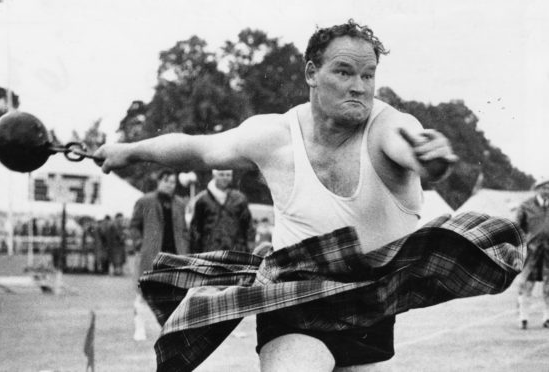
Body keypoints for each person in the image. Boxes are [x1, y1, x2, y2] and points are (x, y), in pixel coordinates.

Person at [95, 19, 469, 371]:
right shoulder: (275, 136)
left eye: (368, 75)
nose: (359, 86)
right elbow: (198, 148)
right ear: (311, 73)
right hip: (293, 301)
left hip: (368, 307)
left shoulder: (388, 128)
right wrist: (129, 151)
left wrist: (431, 158)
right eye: (344, 71)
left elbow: (415, 150)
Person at [129, 168, 189, 340]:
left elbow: (183, 230)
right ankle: (139, 328)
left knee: (173, 295)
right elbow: (134, 226)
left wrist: (185, 248)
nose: (170, 185)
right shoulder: (145, 201)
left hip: (174, 256)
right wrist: (141, 244)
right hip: (151, 255)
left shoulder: (179, 204)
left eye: (173, 182)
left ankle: (169, 329)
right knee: (142, 293)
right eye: (167, 181)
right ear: (159, 181)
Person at [189, 169, 252, 253]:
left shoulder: (240, 199)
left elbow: (248, 227)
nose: (225, 178)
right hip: (210, 252)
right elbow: (195, 229)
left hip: (236, 252)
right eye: (221, 174)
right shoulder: (202, 200)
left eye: (228, 175)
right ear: (214, 176)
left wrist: (249, 248)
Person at [516, 179, 549, 330]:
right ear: (537, 189)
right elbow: (517, 228)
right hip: (532, 251)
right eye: (544, 188)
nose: (547, 191)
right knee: (526, 283)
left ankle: (547, 317)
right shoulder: (526, 206)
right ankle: (523, 317)